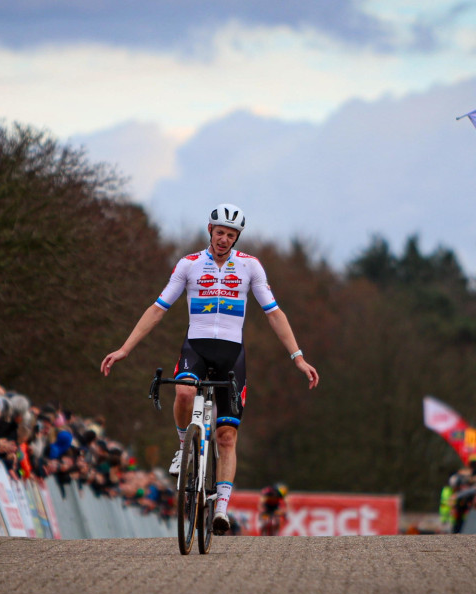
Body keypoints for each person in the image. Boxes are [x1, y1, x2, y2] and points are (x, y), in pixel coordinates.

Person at [101, 203, 319, 535]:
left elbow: (274, 313)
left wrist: (298, 357)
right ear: (210, 230)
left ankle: (221, 508)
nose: (224, 240)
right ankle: (182, 446)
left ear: (237, 237)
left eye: (231, 235)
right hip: (197, 347)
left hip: (232, 355)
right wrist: (125, 349)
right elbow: (158, 309)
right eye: (220, 233)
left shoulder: (250, 266)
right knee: (184, 390)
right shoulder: (189, 265)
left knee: (227, 436)